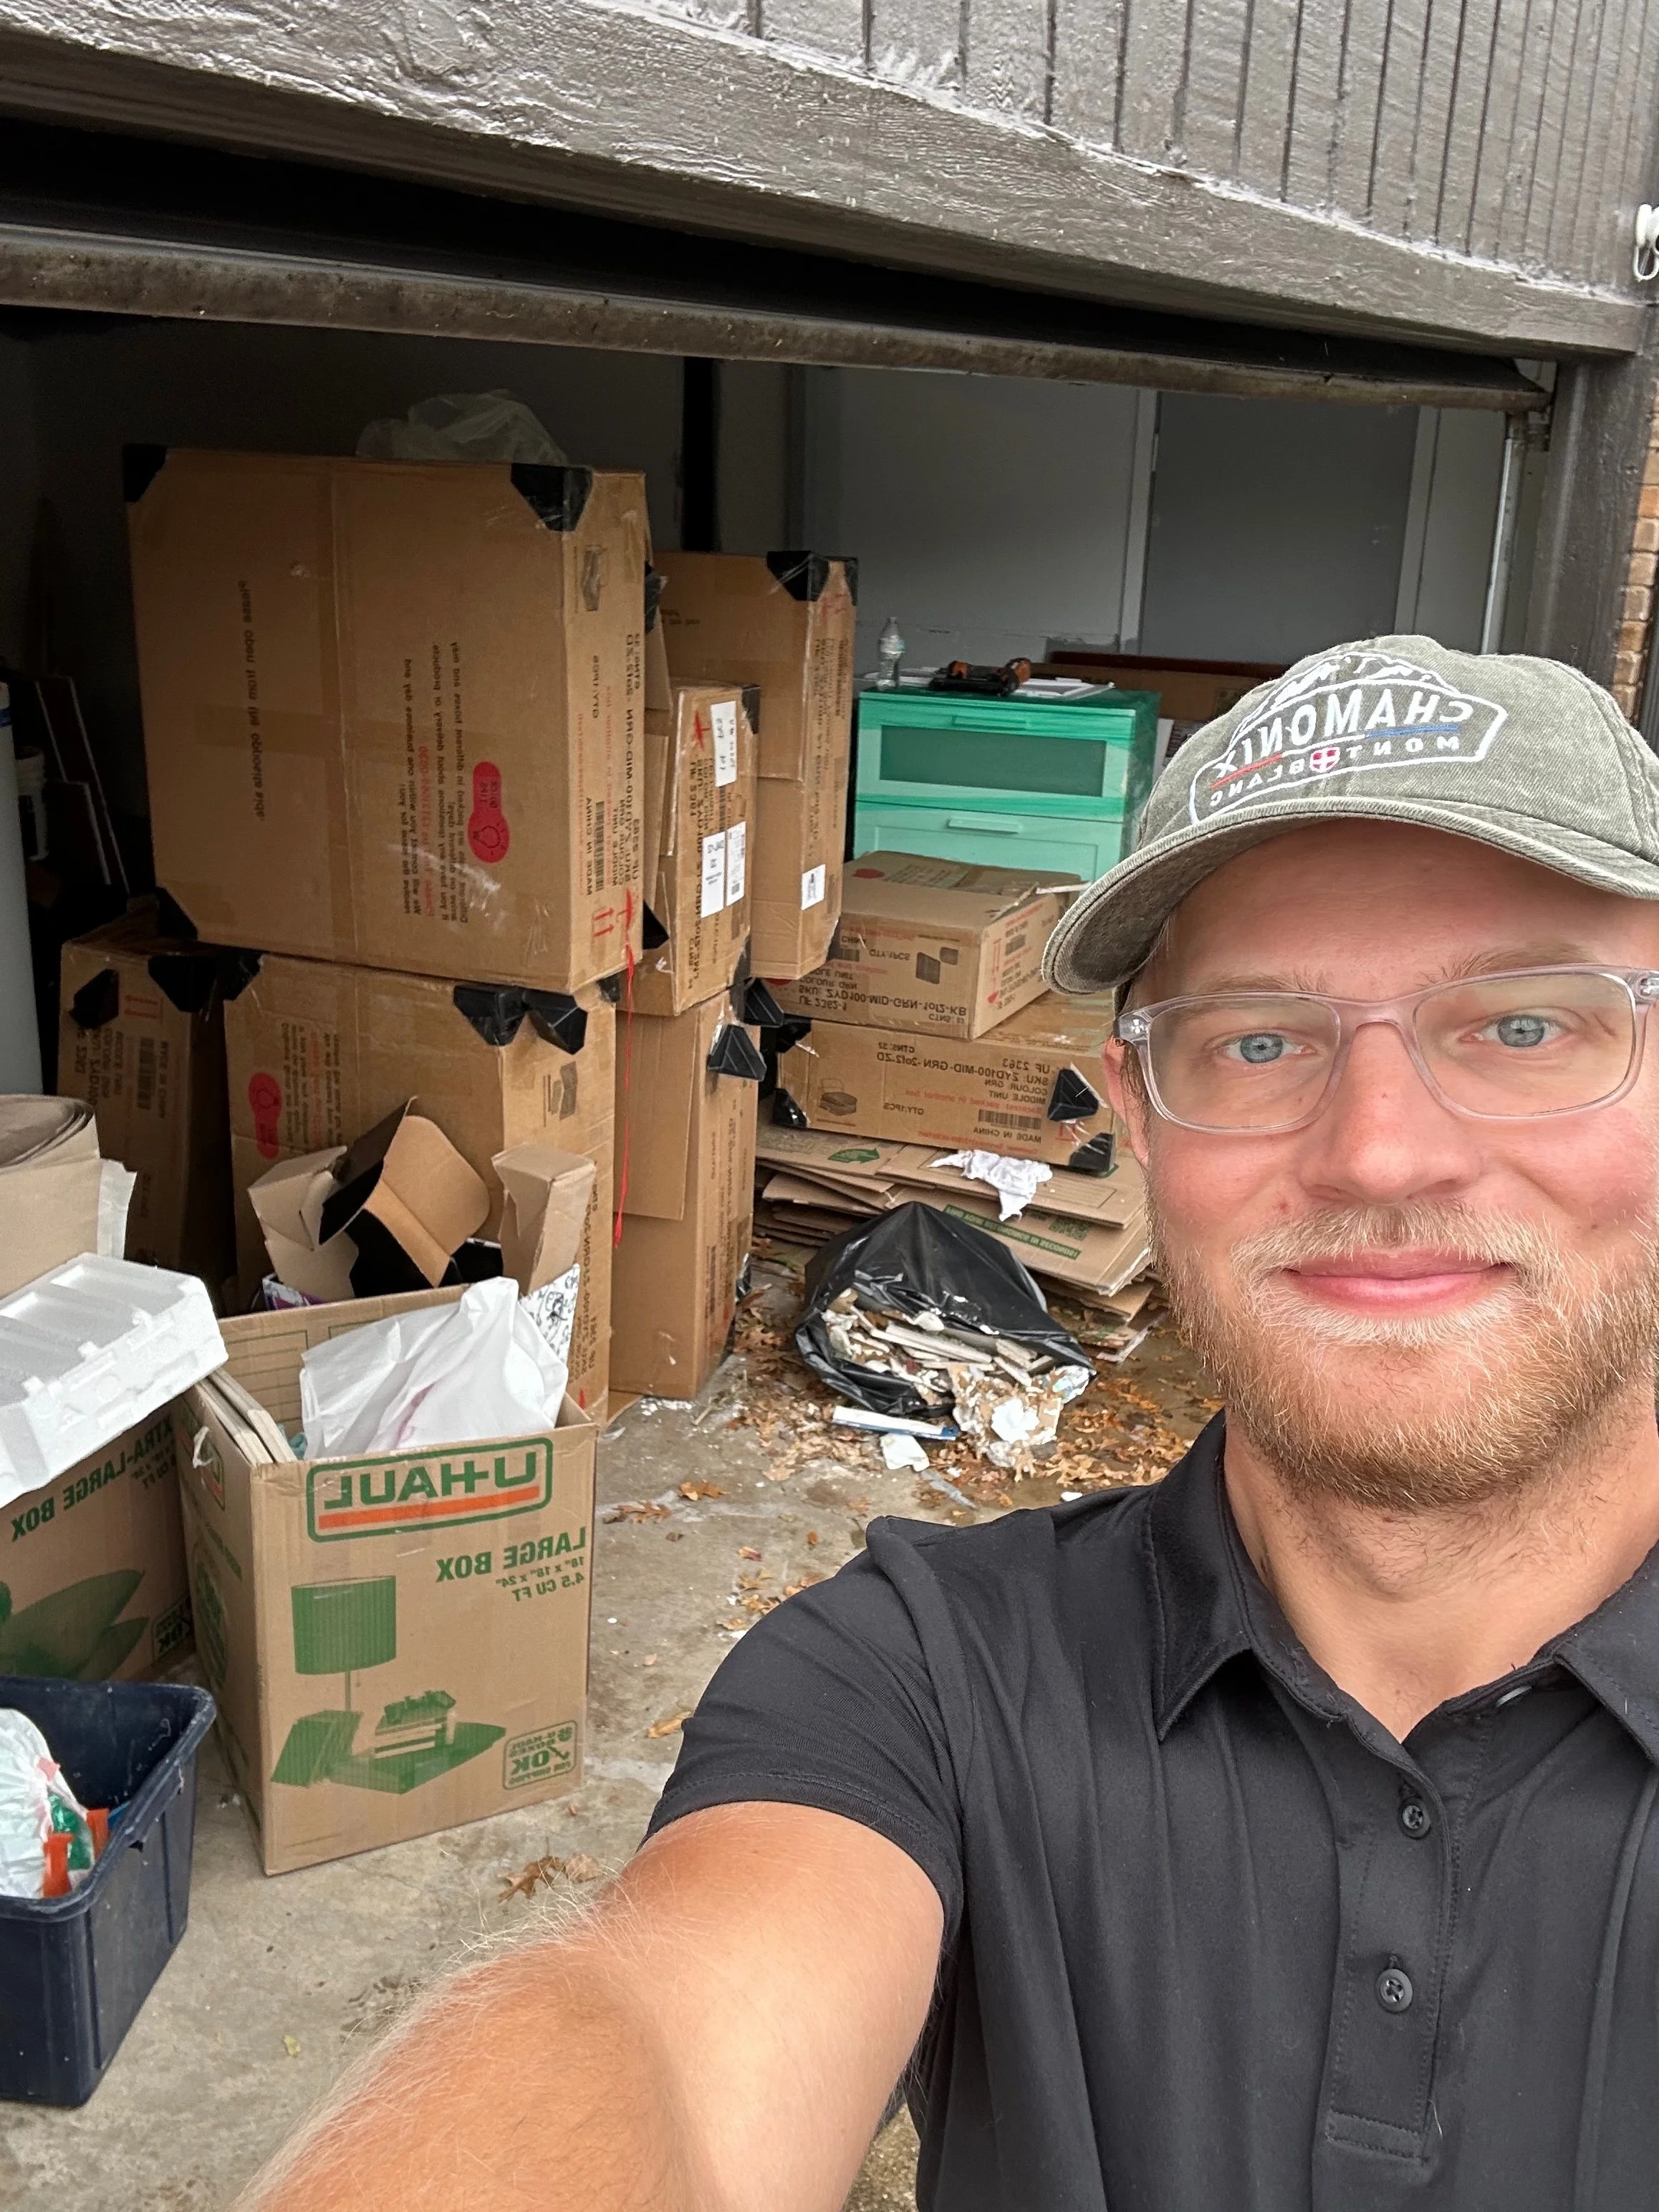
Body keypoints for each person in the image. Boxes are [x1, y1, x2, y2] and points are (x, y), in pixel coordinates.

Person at [241, 635, 1659, 2211]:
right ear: (1132, 1116)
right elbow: (669, 2047)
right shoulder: (923, 1680)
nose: (1382, 1152)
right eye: (1258, 1040)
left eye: (1526, 1026)